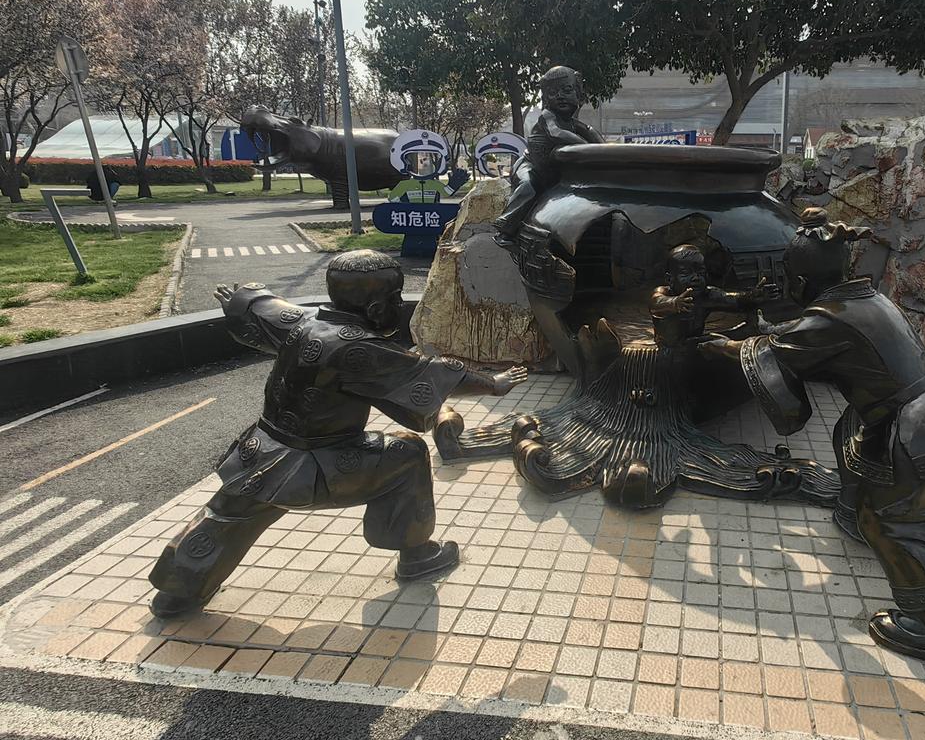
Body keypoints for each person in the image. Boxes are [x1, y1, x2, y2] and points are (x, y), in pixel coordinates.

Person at [148, 249, 527, 618]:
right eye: (395, 298)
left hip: (259, 451)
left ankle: (177, 591)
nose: (399, 305)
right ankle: (417, 554)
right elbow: (429, 372)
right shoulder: (360, 347)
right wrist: (492, 384)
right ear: (376, 308)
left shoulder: (303, 322)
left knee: (227, 512)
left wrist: (240, 300)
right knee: (409, 452)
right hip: (318, 464)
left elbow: (263, 306)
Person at [708, 208, 925, 663]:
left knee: (892, 519)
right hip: (913, 410)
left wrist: (722, 346)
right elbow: (796, 335)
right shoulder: (865, 298)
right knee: (848, 438)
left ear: (800, 280)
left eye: (790, 278)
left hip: (911, 425)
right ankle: (852, 513)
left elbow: (776, 352)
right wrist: (763, 326)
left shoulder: (829, 319)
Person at [494, 66, 603, 244]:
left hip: (554, 174)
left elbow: (591, 132)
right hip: (531, 167)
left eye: (567, 90)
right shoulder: (547, 117)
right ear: (545, 99)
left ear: (578, 94)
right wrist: (586, 147)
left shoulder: (574, 125)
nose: (560, 96)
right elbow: (556, 133)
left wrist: (604, 150)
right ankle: (505, 228)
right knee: (528, 187)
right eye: (552, 93)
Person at [649, 244, 777, 348]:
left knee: (730, 335)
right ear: (669, 279)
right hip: (668, 350)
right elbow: (655, 304)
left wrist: (752, 296)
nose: (696, 278)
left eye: (700, 272)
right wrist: (674, 303)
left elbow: (734, 300)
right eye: (686, 273)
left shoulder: (706, 295)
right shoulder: (664, 292)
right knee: (716, 344)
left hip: (694, 343)